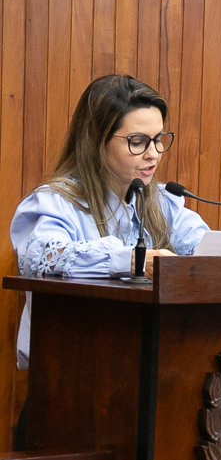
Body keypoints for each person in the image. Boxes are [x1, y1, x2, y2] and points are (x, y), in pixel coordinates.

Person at [10, 74, 209, 372]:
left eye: (158, 139)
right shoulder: (53, 203)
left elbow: (202, 246)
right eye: (138, 142)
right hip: (71, 378)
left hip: (156, 371)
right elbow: (44, 259)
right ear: (96, 141)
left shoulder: (162, 202)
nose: (153, 154)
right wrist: (132, 261)